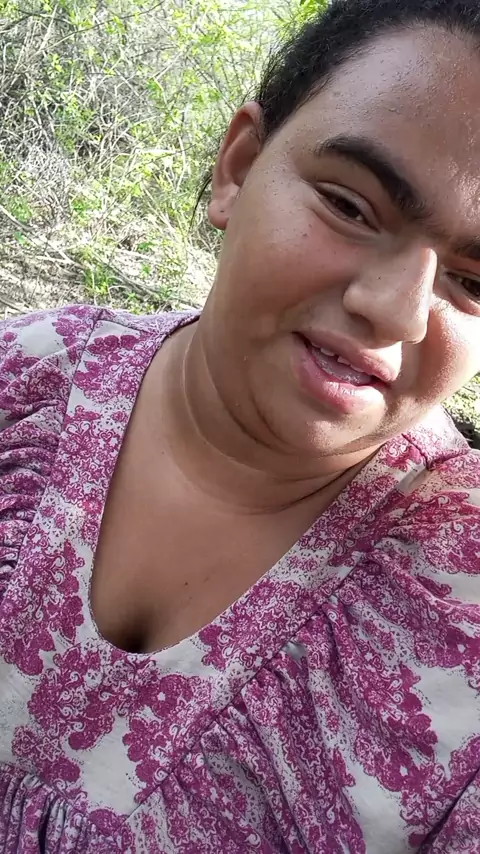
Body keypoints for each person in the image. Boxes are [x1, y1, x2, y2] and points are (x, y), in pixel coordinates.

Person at [2, 0, 480, 850]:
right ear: (240, 166)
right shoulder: (22, 381)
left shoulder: (464, 626)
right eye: (351, 206)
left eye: (474, 283)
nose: (395, 311)